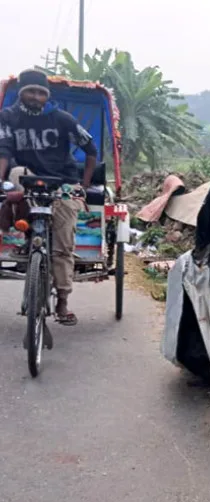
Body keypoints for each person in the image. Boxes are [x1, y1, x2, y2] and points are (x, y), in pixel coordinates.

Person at [0, 69, 98, 326]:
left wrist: (83, 187)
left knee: (63, 244)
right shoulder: (8, 117)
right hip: (28, 181)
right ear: (21, 94)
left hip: (63, 183)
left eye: (40, 92)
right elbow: (3, 151)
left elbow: (90, 149)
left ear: (46, 96)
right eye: (30, 91)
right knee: (17, 171)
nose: (35, 96)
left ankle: (63, 299)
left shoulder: (62, 119)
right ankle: (26, 236)